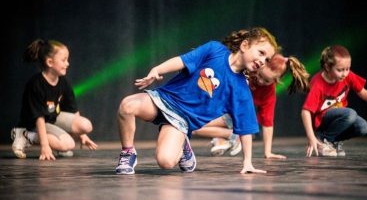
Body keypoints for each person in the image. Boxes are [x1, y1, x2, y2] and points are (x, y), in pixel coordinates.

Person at [115, 27, 279, 175]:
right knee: (127, 106)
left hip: (181, 121)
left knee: (165, 162)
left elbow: (245, 127)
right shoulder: (214, 49)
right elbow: (182, 60)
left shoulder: (241, 89)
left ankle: (182, 145)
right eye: (261, 53)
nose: (262, 61)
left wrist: (248, 162)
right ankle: (128, 153)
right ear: (244, 46)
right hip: (165, 99)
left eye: (267, 60)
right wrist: (157, 70)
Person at [193, 53, 310, 159]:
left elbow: (268, 123)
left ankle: (233, 136)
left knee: (195, 127)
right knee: (195, 124)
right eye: (260, 75)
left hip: (235, 116)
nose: (260, 81)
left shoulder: (269, 94)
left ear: (276, 80)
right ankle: (224, 139)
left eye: (266, 80)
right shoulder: (247, 70)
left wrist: (267, 152)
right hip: (224, 108)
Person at [301, 45, 367, 157]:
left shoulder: (347, 76)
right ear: (327, 67)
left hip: (338, 117)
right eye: (340, 70)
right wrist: (311, 136)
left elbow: (363, 92)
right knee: (350, 114)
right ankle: (322, 141)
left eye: (347, 69)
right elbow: (305, 111)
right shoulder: (318, 83)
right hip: (323, 121)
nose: (345, 73)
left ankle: (333, 141)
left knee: (362, 127)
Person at [11, 39, 98, 160]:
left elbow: (73, 109)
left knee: (86, 125)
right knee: (69, 144)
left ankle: (61, 146)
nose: (67, 64)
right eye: (63, 60)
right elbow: (39, 118)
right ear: (50, 62)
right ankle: (25, 135)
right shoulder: (36, 84)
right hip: (34, 123)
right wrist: (44, 145)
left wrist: (82, 135)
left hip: (52, 118)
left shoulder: (63, 81)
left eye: (67, 60)